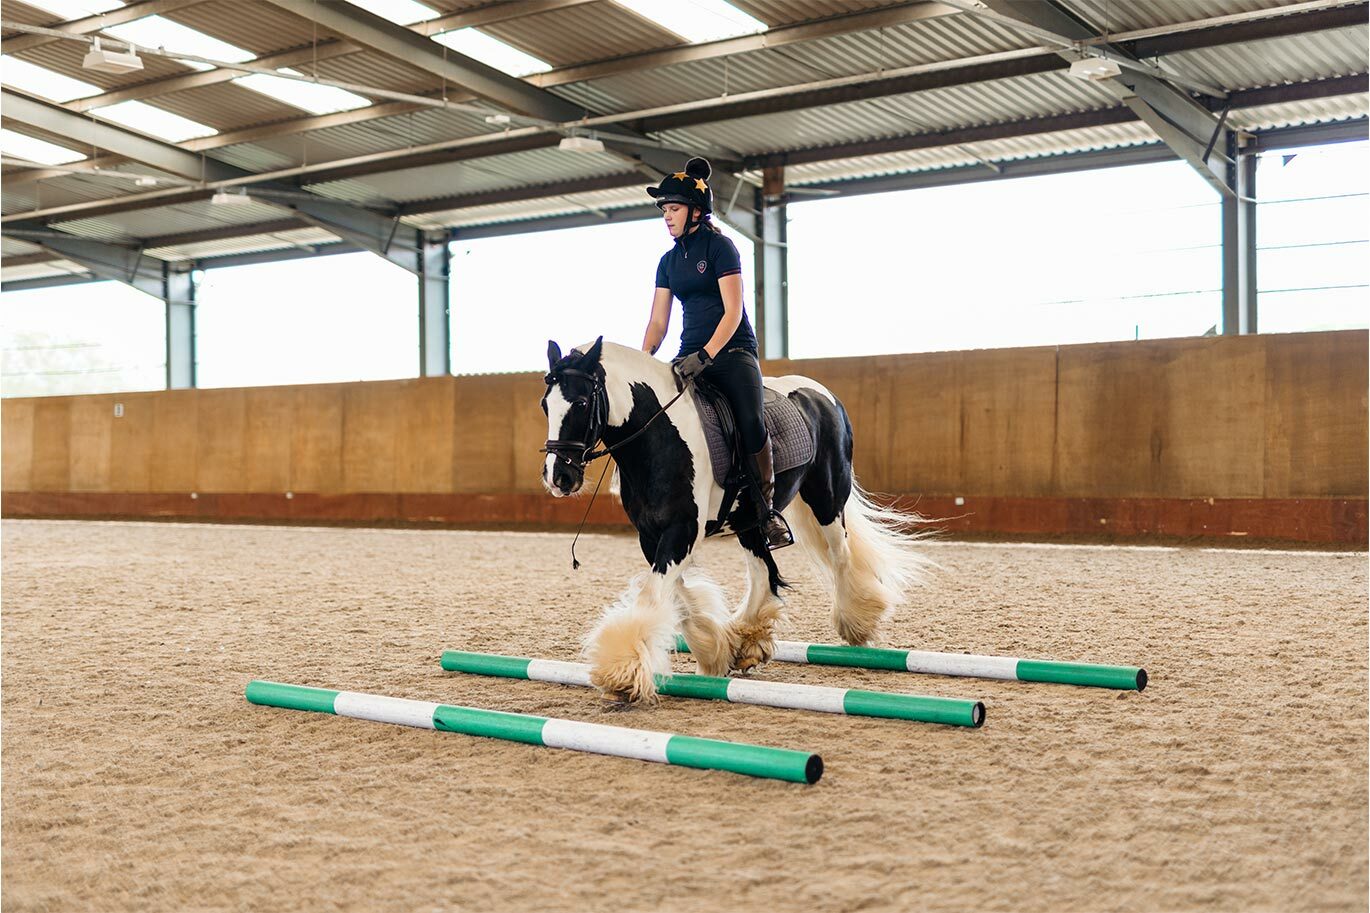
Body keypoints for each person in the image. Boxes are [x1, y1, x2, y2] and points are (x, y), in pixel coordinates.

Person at [641, 156, 793, 550]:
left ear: (695, 211)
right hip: (687, 356)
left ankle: (767, 511)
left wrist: (707, 355)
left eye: (673, 209)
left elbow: (732, 312)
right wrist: (644, 358)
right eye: (664, 211)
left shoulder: (722, 248)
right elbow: (658, 322)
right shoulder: (668, 262)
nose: (667, 217)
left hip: (732, 352)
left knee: (749, 420)